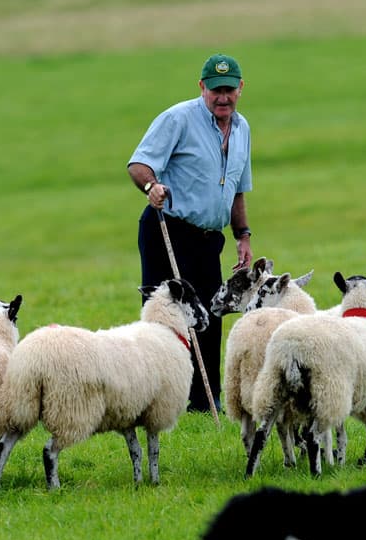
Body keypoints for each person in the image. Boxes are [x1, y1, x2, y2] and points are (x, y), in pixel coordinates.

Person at [127, 53, 254, 413]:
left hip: (208, 239)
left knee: (210, 315)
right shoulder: (178, 118)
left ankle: (203, 401)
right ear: (202, 88)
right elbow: (139, 163)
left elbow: (237, 189)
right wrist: (151, 185)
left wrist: (242, 235)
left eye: (229, 90)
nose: (222, 97)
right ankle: (152, 399)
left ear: (241, 89)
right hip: (168, 231)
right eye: (215, 90)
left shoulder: (243, 129)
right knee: (164, 316)